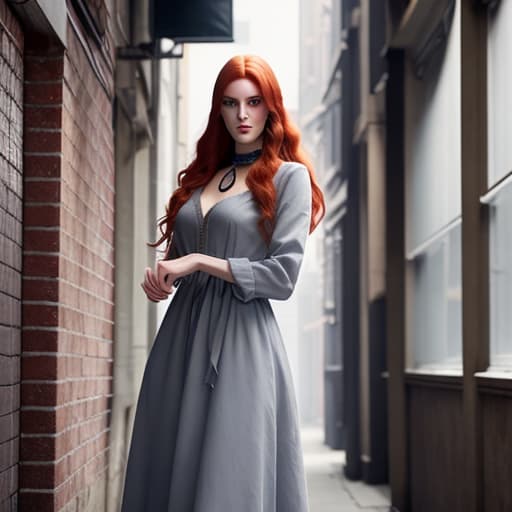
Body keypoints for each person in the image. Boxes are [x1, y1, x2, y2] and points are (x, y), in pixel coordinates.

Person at [120, 54, 325, 512]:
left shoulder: (288, 178)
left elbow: (282, 275)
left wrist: (198, 261)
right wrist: (164, 277)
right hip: (180, 341)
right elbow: (180, 261)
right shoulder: (204, 178)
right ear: (219, 110)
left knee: (230, 470)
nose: (243, 115)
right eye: (231, 104)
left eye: (254, 102)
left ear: (271, 107)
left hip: (241, 344)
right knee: (171, 461)